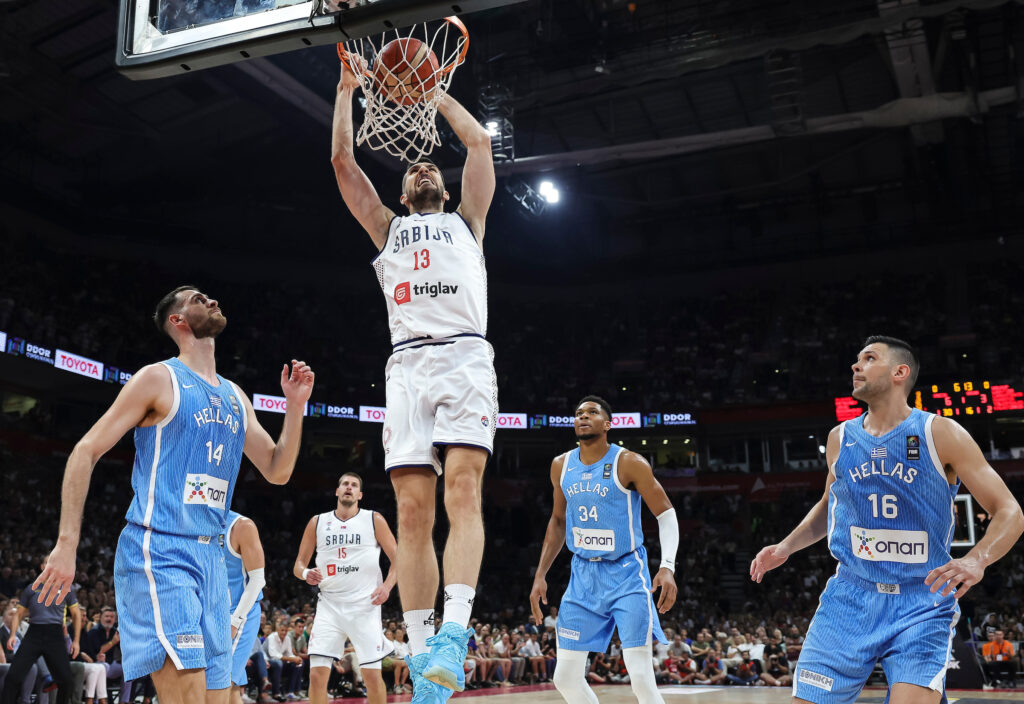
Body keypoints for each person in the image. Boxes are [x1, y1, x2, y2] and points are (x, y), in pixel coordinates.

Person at [32, 286, 315, 704]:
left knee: (221, 696)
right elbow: (84, 451)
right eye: (198, 299)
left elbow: (277, 470)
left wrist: (294, 407)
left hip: (213, 561)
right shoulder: (158, 378)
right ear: (177, 321)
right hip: (160, 550)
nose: (212, 300)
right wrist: (67, 544)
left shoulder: (235, 395)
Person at [331, 50, 498, 702]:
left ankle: (455, 634)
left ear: (445, 188)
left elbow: (479, 141)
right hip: (406, 366)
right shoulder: (387, 228)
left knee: (461, 491)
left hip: (463, 357)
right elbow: (344, 164)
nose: (423, 165)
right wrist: (347, 90)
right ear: (403, 194)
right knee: (412, 510)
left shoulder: (468, 223)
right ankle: (427, 656)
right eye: (413, 169)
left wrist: (430, 94)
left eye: (431, 165)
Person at [751, 335, 1024, 704]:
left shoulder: (940, 433)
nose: (855, 365)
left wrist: (977, 559)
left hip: (921, 601)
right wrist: (786, 546)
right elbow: (829, 504)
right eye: (857, 359)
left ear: (900, 372)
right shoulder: (839, 437)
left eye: (868, 358)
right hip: (850, 597)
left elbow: (1009, 511)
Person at [530, 395, 679, 704]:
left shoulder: (629, 462)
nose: (583, 416)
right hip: (583, 575)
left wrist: (668, 566)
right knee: (565, 677)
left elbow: (666, 514)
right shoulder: (561, 465)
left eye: (592, 412)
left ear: (607, 424)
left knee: (640, 677)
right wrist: (540, 574)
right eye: (579, 412)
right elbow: (558, 522)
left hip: (626, 574)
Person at [292, 472, 398, 704]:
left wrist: (388, 587)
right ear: (337, 491)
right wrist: (306, 572)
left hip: (365, 606)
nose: (348, 487)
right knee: (317, 676)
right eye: (344, 484)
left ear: (360, 494)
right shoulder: (317, 522)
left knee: (372, 676)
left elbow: (398, 558)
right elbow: (298, 564)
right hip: (329, 606)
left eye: (354, 485)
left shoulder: (373, 519)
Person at [1, 571, 81, 704]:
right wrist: (12, 635)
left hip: (55, 634)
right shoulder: (32, 588)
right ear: (44, 567)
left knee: (67, 681)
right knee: (12, 677)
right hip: (34, 633)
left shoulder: (67, 588)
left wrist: (76, 641)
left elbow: (76, 614)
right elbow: (19, 614)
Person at [224, 512, 267, 704]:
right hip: (214, 614)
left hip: (239, 613)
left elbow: (258, 580)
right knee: (231, 690)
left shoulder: (241, 526)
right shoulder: (197, 522)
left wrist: (235, 621)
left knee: (218, 684)